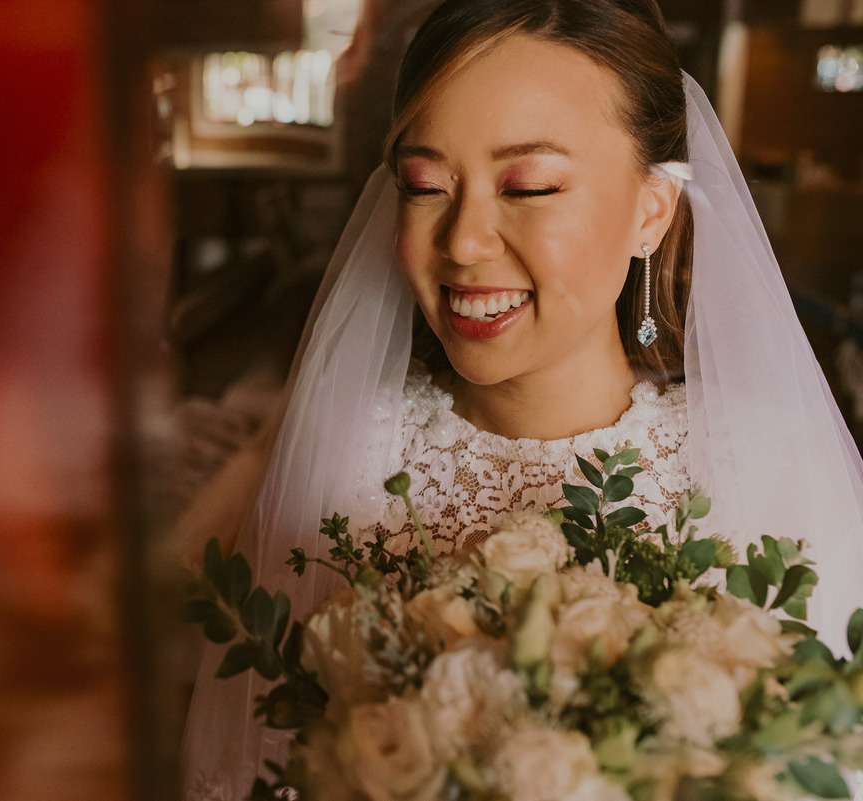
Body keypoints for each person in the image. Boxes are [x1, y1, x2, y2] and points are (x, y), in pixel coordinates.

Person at [180, 1, 863, 799]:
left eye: (530, 187)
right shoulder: (344, 460)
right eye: (425, 184)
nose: (464, 241)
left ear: (652, 209)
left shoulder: (766, 468)